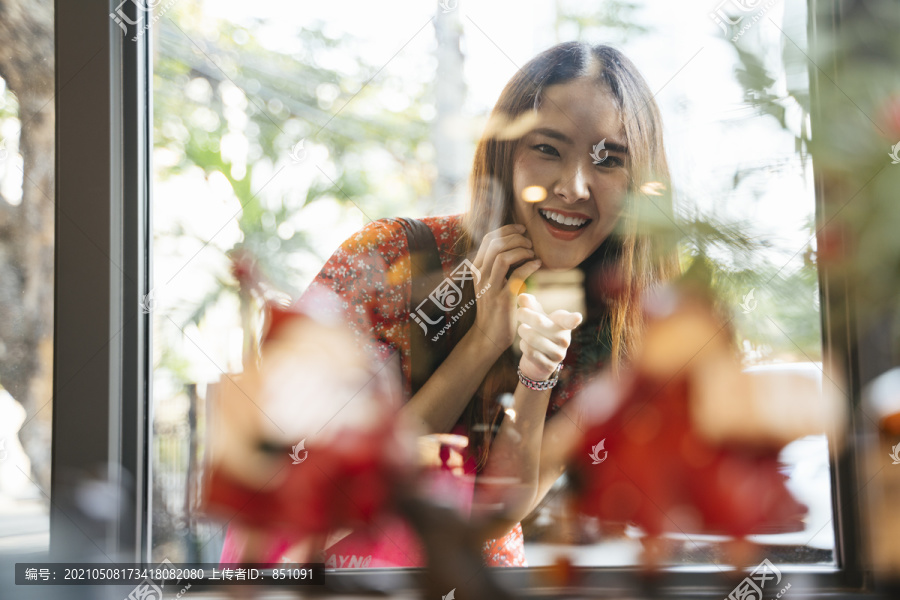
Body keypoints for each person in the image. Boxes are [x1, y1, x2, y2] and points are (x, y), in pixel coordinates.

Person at [226, 41, 679, 568]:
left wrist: (539, 375)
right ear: (505, 156)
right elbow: (314, 493)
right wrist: (482, 344)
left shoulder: (617, 328)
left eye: (608, 159)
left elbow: (502, 511)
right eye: (548, 149)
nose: (572, 187)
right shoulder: (388, 260)